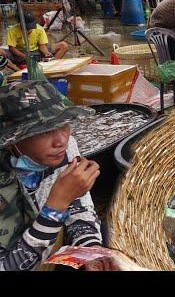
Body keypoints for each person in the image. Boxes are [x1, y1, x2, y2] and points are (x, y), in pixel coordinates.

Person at [0, 80, 107, 271]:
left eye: (63, 125)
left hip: (46, 246)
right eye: (44, 131)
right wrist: (55, 207)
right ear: (11, 140)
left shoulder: (63, 149)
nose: (61, 141)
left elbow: (78, 209)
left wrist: (89, 251)